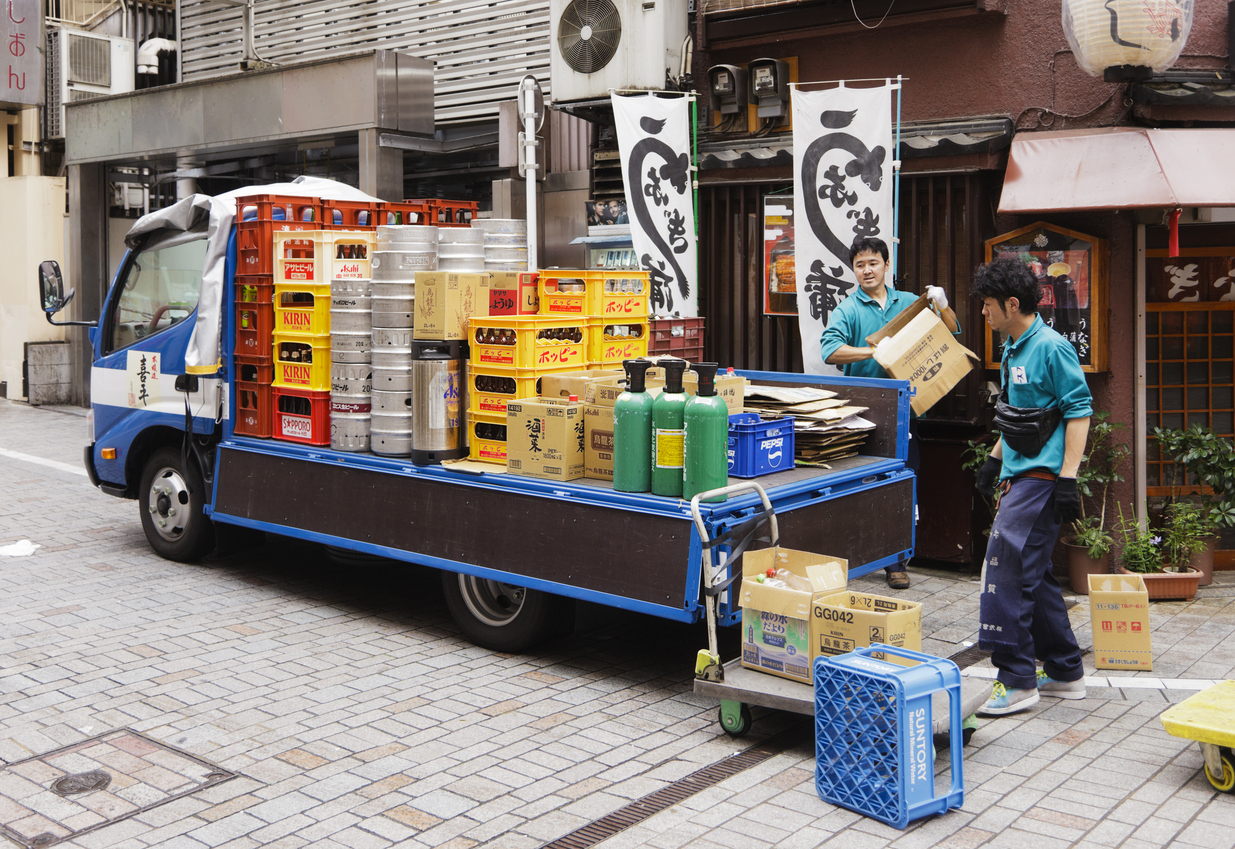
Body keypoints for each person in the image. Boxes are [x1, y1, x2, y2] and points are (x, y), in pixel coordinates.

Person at [971, 254, 1091, 716]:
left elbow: (1079, 411)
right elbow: (1020, 417)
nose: (984, 312)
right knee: (1035, 576)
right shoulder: (1013, 347)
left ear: (1012, 303)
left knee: (1006, 569)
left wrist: (1068, 479)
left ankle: (1018, 680)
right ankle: (1064, 670)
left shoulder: (1052, 347)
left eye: (988, 305)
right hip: (1019, 474)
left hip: (1043, 480)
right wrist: (993, 460)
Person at [819, 236, 959, 590]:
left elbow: (951, 330)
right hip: (862, 412)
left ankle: (898, 562)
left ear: (886, 265)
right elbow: (830, 351)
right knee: (858, 484)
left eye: (873, 263)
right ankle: (858, 554)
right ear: (854, 270)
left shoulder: (909, 303)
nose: (867, 270)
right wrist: (875, 352)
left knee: (903, 482)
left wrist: (941, 305)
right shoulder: (849, 309)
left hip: (905, 410)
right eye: (860, 265)